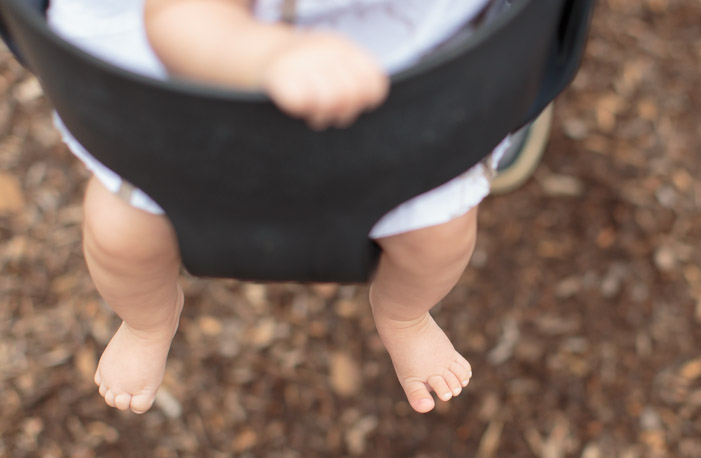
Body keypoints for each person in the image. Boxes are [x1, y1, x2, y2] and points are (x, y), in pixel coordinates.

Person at [47, 0, 512, 414]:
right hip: (207, 83)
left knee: (438, 239)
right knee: (120, 234)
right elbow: (177, 16)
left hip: (418, 72)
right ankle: (147, 321)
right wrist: (269, 55)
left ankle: (404, 313)